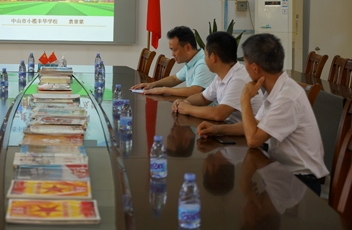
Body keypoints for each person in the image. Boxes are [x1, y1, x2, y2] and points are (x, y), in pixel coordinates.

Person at [197, 33, 329, 195]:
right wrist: (217, 130)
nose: (243, 68)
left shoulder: (286, 97)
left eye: (245, 63)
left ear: (254, 68)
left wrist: (245, 99)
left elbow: (253, 139)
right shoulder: (276, 88)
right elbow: (254, 126)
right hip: (279, 170)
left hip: (300, 182)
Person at [172, 31, 262, 122]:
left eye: (205, 55)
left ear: (213, 57)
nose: (204, 59)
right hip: (228, 126)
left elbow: (219, 114)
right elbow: (203, 97)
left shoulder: (239, 79)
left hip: (244, 130)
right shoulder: (221, 75)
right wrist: (185, 102)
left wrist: (188, 109)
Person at [131, 26, 214, 97]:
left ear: (187, 47)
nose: (172, 54)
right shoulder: (191, 61)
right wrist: (152, 84)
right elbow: (174, 79)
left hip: (206, 110)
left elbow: (194, 91)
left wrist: (164, 90)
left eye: (174, 50)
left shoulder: (202, 64)